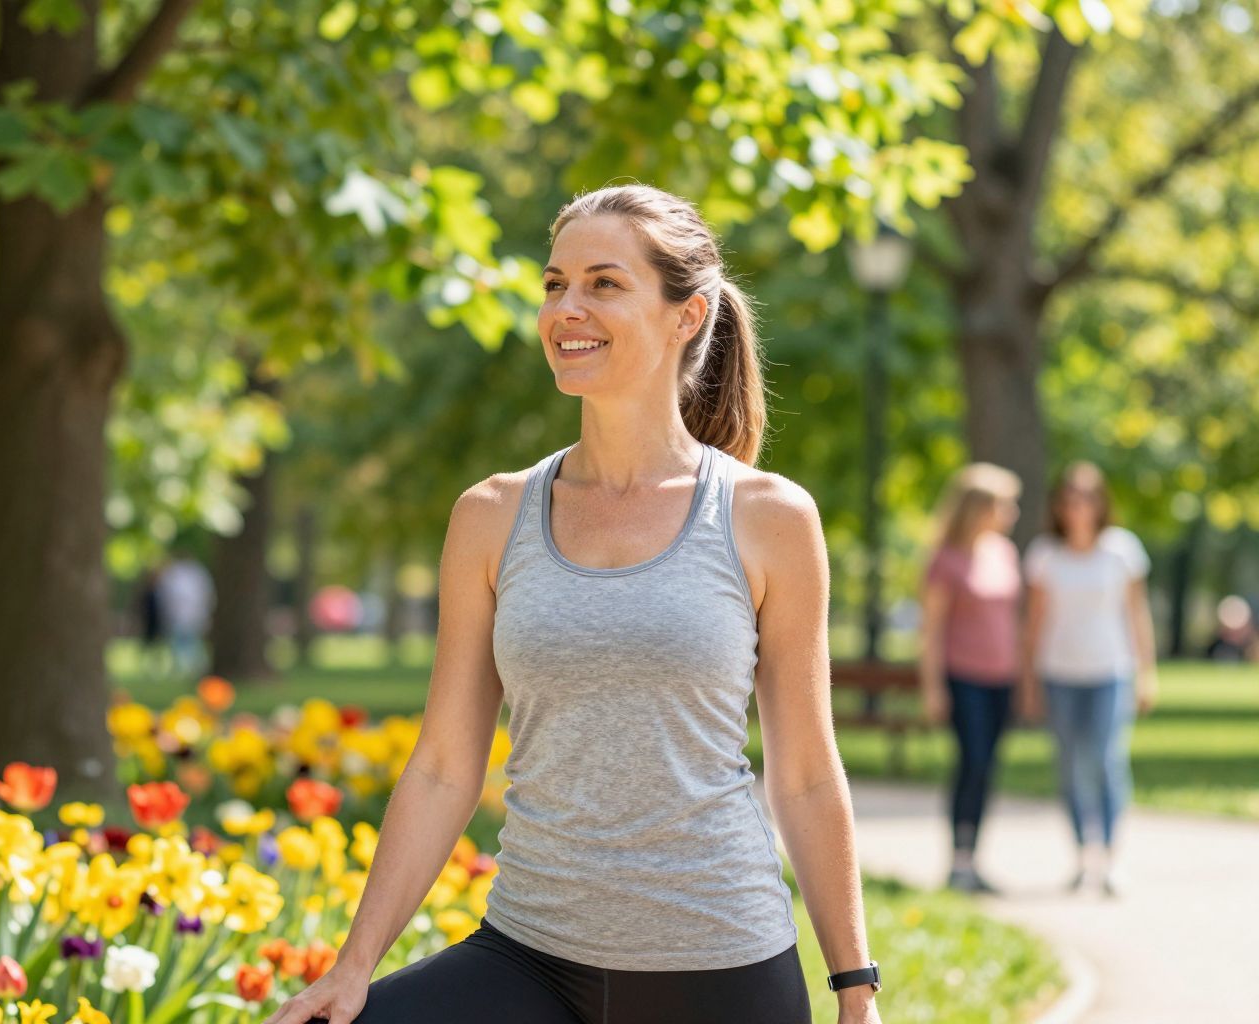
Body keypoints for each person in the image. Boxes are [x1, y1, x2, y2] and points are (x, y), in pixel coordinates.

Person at [265, 184, 883, 1024]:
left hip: (719, 963)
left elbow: (805, 774)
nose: (567, 309)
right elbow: (444, 765)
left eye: (604, 283)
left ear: (687, 316)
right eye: (555, 284)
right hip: (529, 958)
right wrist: (353, 966)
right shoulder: (492, 515)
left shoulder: (768, 517)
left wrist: (855, 989)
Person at [1019, 461, 1158, 896]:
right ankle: (1083, 856)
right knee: (1070, 764)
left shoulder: (1122, 550)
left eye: (1086, 498)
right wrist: (1029, 681)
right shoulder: (1045, 554)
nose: (1077, 507)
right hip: (1059, 674)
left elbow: (1137, 614)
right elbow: (1034, 623)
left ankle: (1112, 857)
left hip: (1110, 672)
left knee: (1105, 759)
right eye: (1070, 498)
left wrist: (1147, 672)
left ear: (1100, 503)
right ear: (1059, 505)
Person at [918, 463, 1023, 894]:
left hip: (1002, 678)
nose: (1012, 513)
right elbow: (931, 630)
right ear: (979, 508)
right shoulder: (946, 560)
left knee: (988, 767)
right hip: (963, 678)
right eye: (1005, 504)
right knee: (973, 762)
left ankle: (974, 858)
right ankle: (960, 862)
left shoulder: (1004, 552)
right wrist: (932, 688)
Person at [156, 551, 214, 677]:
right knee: (180, 643)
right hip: (180, 615)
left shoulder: (194, 573)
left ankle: (194, 667)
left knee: (190, 643)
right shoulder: (177, 573)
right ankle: (185, 668)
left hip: (191, 615)